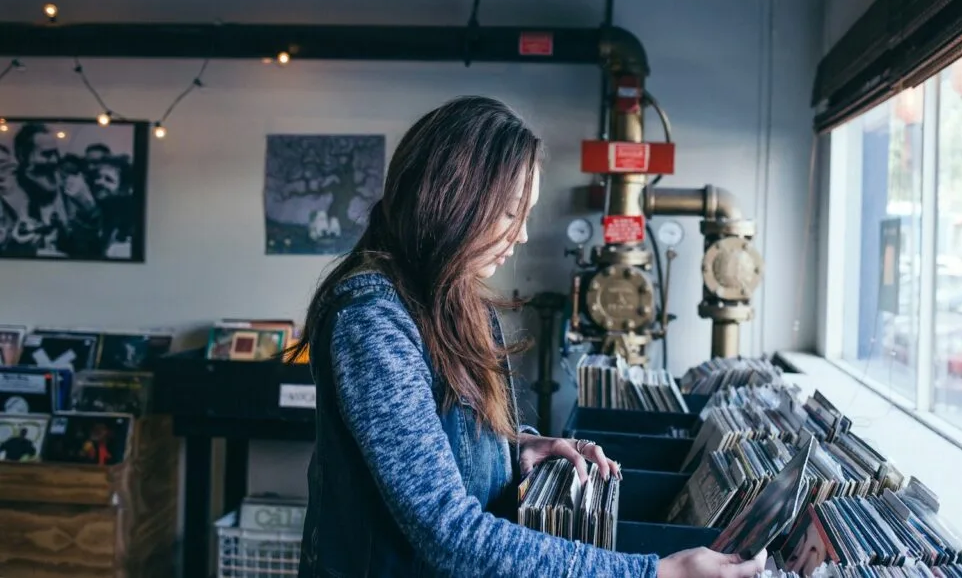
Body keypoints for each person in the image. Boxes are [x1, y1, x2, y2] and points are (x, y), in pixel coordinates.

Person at [294, 96, 768, 578]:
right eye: (508, 213)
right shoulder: (372, 319)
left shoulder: (450, 295)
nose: (520, 236)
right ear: (451, 198)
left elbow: (437, 441)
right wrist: (657, 573)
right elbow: (447, 533)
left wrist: (512, 447)